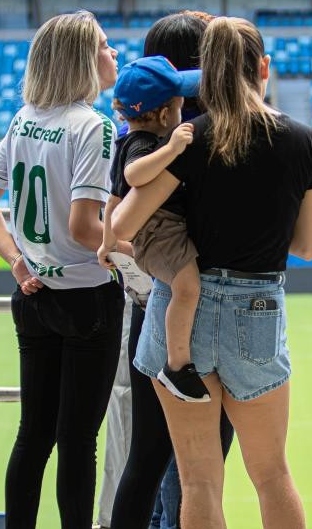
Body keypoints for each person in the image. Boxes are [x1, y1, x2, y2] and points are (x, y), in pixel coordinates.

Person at [111, 16, 312, 529]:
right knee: (272, 475)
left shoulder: (189, 139)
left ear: (205, 75)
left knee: (197, 483)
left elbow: (123, 223)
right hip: (257, 309)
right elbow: (305, 245)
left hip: (181, 313)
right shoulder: (307, 143)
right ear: (263, 68)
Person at [0, 10, 130, 529]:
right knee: (78, 441)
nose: (113, 53)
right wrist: (135, 251)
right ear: (82, 58)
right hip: (87, 299)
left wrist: (17, 260)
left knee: (33, 434)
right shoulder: (94, 126)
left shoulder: (25, 118)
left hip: (33, 295)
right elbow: (85, 228)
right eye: (103, 45)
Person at [108, 11, 236, 529]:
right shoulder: (197, 139)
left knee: (150, 457)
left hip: (152, 304)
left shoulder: (148, 135)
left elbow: (114, 224)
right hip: (209, 304)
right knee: (200, 467)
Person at [99, 54, 208, 403]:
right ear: (163, 115)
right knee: (187, 287)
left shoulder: (129, 140)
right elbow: (134, 175)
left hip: (158, 233)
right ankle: (178, 365)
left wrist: (107, 244)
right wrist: (173, 148)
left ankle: (178, 361)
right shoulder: (141, 143)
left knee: (185, 287)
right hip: (159, 232)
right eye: (178, 105)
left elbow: (113, 200)